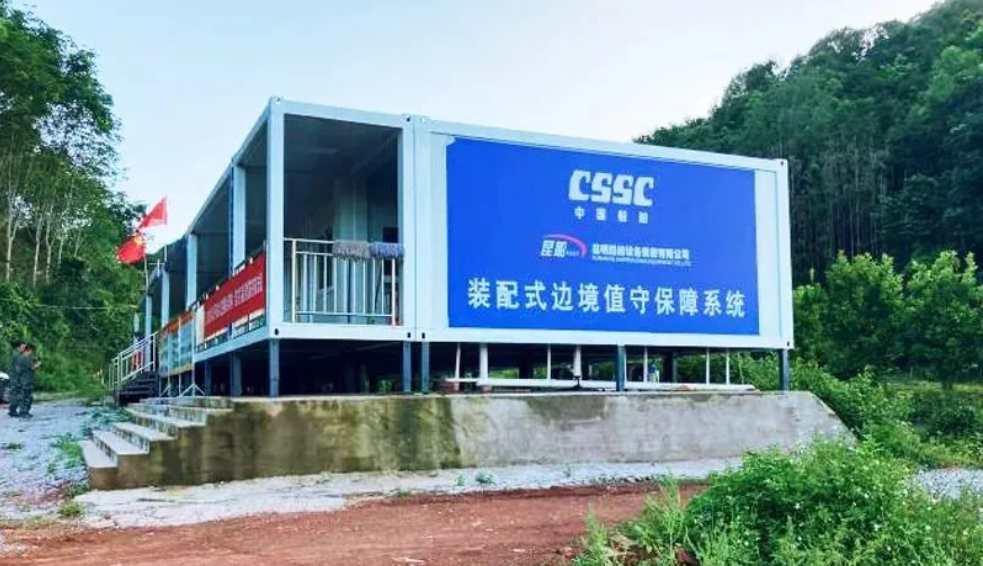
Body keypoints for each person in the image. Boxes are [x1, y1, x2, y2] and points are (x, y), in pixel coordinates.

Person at [9, 343, 36, 419]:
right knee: (25, 396)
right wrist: (36, 365)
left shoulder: (20, 357)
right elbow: (31, 368)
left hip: (21, 380)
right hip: (24, 380)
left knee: (21, 396)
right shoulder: (24, 358)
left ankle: (17, 411)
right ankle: (23, 412)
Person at [6, 341, 26, 418]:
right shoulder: (16, 355)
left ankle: (15, 410)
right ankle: (13, 410)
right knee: (15, 394)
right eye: (22, 347)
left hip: (18, 377)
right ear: (18, 348)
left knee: (17, 394)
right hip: (15, 378)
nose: (24, 349)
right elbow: (17, 368)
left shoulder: (20, 355)